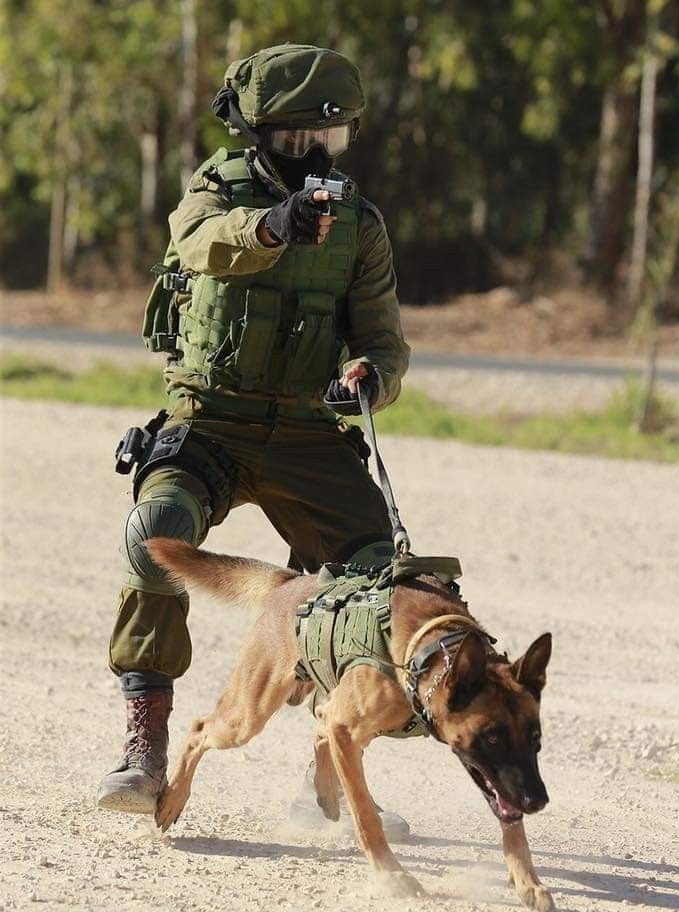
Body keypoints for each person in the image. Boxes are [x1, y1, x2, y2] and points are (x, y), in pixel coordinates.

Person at [96, 43, 411, 839]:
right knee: (154, 532)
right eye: (307, 139)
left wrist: (369, 375)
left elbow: (383, 339)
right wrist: (274, 226)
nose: (321, 157)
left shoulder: (360, 226)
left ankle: (331, 776)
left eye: (334, 141)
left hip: (308, 431)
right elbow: (201, 242)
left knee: (375, 578)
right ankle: (145, 747)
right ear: (265, 135)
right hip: (211, 424)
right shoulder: (213, 193)